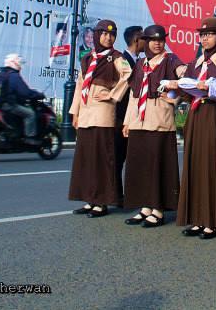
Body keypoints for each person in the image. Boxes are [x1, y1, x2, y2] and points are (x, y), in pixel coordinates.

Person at [176, 16, 216, 240]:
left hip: (213, 114)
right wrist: (176, 87)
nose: (205, 39)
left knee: (212, 165)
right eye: (202, 35)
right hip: (196, 115)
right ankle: (197, 218)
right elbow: (187, 88)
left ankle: (212, 220)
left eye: (209, 34)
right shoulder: (196, 62)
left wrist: (207, 87)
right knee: (196, 164)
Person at [122, 25, 186, 228]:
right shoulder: (141, 63)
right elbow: (134, 95)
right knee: (141, 165)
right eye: (152, 40)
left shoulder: (171, 60)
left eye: (161, 39)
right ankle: (145, 208)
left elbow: (184, 81)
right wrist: (127, 122)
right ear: (146, 42)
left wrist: (173, 97)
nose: (157, 43)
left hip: (159, 119)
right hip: (139, 120)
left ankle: (158, 210)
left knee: (157, 165)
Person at [68, 20, 133, 217]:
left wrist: (112, 95)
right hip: (86, 113)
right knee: (86, 159)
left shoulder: (117, 57)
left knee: (101, 159)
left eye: (112, 35)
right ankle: (90, 199)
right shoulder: (87, 58)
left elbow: (128, 76)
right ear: (97, 35)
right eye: (104, 34)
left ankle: (101, 202)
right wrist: (75, 113)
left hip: (103, 113)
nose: (108, 37)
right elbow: (80, 85)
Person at [116, 25, 144, 202]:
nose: (147, 42)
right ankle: (117, 195)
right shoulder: (122, 60)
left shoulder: (140, 61)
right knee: (119, 157)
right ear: (136, 40)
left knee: (133, 158)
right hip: (122, 117)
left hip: (136, 117)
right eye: (144, 38)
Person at [0, 53, 45, 143]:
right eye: (19, 62)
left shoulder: (2, 74)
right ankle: (30, 137)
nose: (21, 65)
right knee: (30, 114)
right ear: (13, 62)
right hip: (8, 105)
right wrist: (38, 95)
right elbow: (24, 92)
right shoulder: (13, 75)